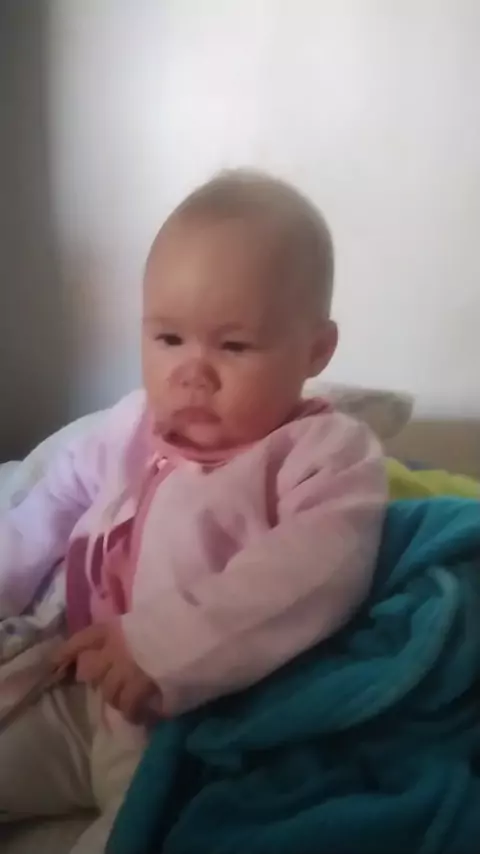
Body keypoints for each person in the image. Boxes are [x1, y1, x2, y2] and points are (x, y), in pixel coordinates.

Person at [0, 170, 386, 852]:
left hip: (190, 718)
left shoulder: (322, 452)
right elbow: (54, 501)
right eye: (169, 339)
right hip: (84, 692)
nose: (192, 373)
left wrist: (163, 647)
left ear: (315, 351)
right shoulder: (130, 425)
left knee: (144, 833)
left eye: (233, 346)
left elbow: (312, 572)